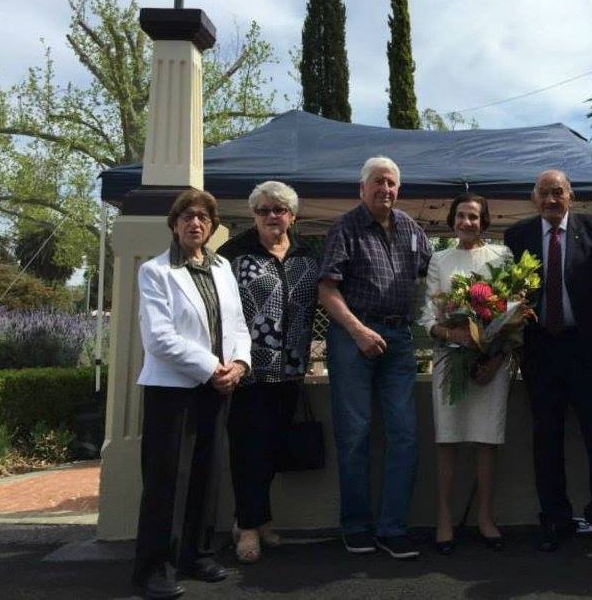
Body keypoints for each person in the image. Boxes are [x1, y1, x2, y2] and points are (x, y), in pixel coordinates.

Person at [132, 189, 251, 600]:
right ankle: (153, 570)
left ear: (212, 226)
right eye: (186, 216)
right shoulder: (155, 272)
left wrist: (240, 364)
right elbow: (159, 338)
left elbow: (237, 326)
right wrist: (211, 368)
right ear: (174, 223)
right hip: (174, 389)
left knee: (207, 472)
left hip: (218, 387)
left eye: (202, 217)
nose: (194, 223)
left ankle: (196, 555)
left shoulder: (223, 269)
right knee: (167, 480)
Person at [504, 169, 592, 553]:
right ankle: (555, 520)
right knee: (546, 442)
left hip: (591, 351)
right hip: (542, 351)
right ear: (533, 198)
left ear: (570, 195)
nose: (551, 200)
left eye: (557, 192)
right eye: (543, 193)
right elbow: (509, 295)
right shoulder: (517, 236)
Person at [318, 156, 432, 560]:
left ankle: (392, 527)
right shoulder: (345, 228)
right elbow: (327, 290)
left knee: (405, 435)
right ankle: (356, 525)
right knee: (355, 435)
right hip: (354, 336)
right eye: (378, 183)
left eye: (392, 183)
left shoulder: (413, 230)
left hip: (399, 338)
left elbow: (433, 281)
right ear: (362, 189)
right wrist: (358, 331)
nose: (386, 189)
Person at [218, 181, 320, 564]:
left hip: (291, 369)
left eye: (279, 209)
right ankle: (246, 526)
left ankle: (258, 519)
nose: (272, 216)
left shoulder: (308, 255)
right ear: (254, 215)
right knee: (248, 449)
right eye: (264, 210)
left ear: (292, 216)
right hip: (248, 371)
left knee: (274, 448)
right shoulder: (234, 255)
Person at [419, 193, 512, 554]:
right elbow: (429, 314)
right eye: (461, 216)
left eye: (474, 216)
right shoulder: (439, 259)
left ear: (484, 221)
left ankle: (486, 518)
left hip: (491, 363)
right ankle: (444, 520)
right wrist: (449, 333)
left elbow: (512, 310)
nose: (467, 222)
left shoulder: (502, 256)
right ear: (452, 221)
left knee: (487, 440)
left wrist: (495, 355)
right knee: (448, 438)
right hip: (450, 360)